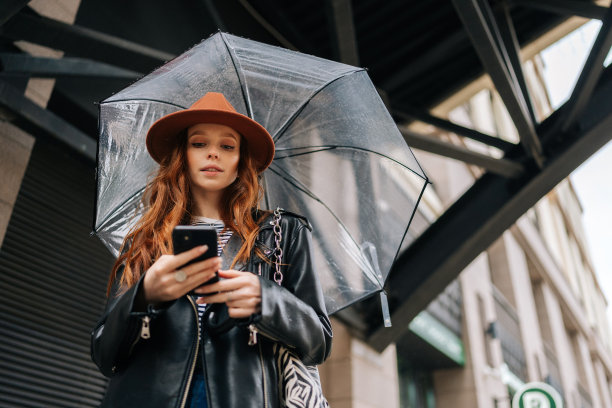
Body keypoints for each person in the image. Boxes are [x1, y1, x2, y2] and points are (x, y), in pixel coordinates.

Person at [91, 92, 332, 408]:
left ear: (240, 161)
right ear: (183, 155)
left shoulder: (282, 233)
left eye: (227, 146)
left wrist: (267, 300)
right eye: (199, 143)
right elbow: (103, 354)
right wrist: (145, 294)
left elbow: (319, 343)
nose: (213, 154)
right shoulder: (145, 242)